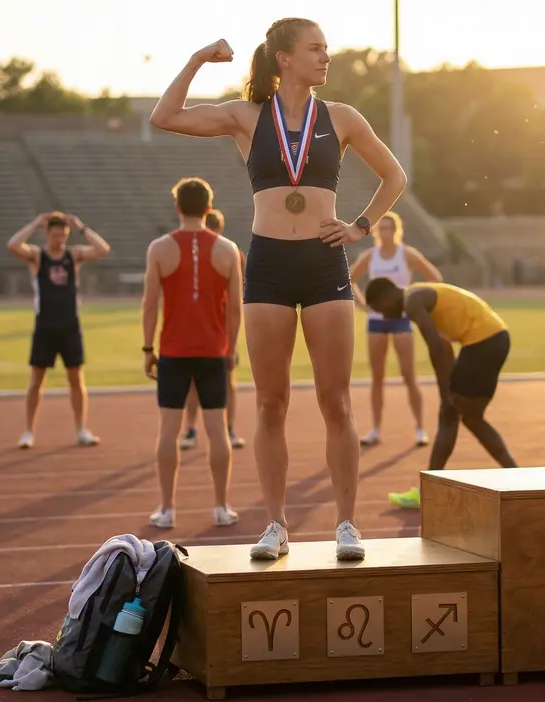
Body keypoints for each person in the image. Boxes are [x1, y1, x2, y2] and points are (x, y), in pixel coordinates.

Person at [149, 19, 407, 561]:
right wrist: (198, 58)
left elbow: (394, 176)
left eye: (326, 49)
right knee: (270, 402)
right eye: (315, 49)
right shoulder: (246, 117)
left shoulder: (341, 117)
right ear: (284, 58)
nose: (325, 57)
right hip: (267, 264)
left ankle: (346, 525)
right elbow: (164, 116)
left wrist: (359, 226)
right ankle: (275, 525)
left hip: (323, 262)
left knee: (335, 401)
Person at [142, 178, 243, 529]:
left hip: (173, 350)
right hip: (213, 351)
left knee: (168, 432)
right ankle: (220, 506)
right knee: (218, 431)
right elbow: (235, 309)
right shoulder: (228, 249)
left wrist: (147, 348)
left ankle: (167, 509)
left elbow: (149, 304)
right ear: (209, 208)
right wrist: (232, 348)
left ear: (177, 207)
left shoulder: (159, 248)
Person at [364, 279, 517, 509]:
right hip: (496, 338)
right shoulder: (418, 296)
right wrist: (450, 385)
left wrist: (446, 394)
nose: (385, 317)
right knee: (472, 418)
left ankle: (427, 492)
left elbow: (435, 347)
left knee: (449, 415)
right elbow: (444, 348)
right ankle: (518, 476)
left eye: (380, 309)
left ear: (387, 297)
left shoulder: (412, 301)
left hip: (482, 342)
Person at [6, 212, 112, 449]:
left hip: (70, 326)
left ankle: (81, 429)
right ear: (47, 234)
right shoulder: (37, 256)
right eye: (55, 236)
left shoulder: (73, 256)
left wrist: (81, 227)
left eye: (63, 236)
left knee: (76, 379)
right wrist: (34, 223)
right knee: (36, 381)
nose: (59, 241)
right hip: (45, 326)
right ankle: (29, 431)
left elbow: (103, 249)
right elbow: (13, 245)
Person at [349, 211, 441, 448]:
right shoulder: (370, 256)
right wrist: (363, 305)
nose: (386, 232)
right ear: (377, 232)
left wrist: (416, 304)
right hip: (377, 322)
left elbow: (435, 277)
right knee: (377, 377)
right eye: (383, 228)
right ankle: (376, 429)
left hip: (401, 319)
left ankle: (420, 428)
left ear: (397, 231)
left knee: (409, 376)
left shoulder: (407, 254)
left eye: (390, 228)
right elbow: (350, 278)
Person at [179, 208, 246, 451]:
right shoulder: (192, 252)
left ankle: (229, 428)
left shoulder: (231, 252)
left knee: (228, 378)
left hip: (221, 325)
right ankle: (190, 429)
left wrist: (234, 340)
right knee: (194, 381)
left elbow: (238, 296)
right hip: (197, 323)